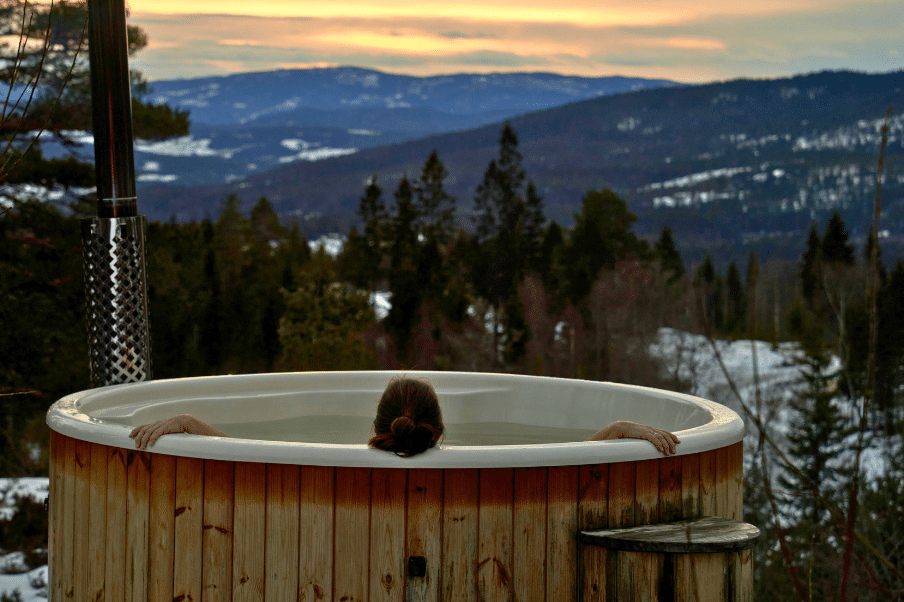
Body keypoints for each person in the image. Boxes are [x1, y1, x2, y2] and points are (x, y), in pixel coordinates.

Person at [130, 376, 681, 456]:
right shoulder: (487, 467)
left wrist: (185, 423)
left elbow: (241, 455)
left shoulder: (325, 463)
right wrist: (622, 430)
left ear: (377, 427)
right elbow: (571, 460)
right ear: (441, 430)